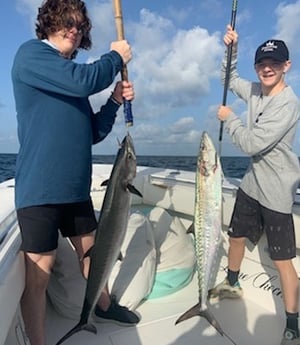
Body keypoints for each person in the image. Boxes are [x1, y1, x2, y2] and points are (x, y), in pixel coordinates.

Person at [11, 1, 139, 344]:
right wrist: (116, 58)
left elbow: (93, 132)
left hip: (76, 189)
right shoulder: (33, 56)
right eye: (68, 21)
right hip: (39, 189)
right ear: (50, 22)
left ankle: (104, 305)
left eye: (80, 26)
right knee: (40, 272)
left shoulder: (68, 78)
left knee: (93, 255)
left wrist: (113, 101)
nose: (75, 29)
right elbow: (84, 81)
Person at [211, 24, 300, 345]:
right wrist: (231, 50)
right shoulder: (254, 90)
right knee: (235, 236)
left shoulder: (289, 103)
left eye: (274, 64)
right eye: (262, 63)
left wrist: (229, 118)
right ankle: (232, 282)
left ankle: (293, 320)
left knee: (282, 259)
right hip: (251, 184)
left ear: (286, 66)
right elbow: (227, 79)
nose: (267, 68)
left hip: (276, 190)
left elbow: (251, 144)